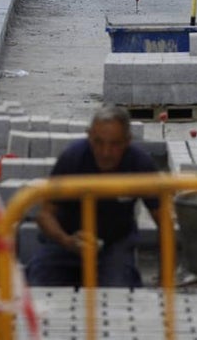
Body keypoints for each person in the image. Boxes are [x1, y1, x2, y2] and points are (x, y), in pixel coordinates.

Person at [26, 106, 162, 287]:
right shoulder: (73, 158)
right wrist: (67, 241)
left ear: (127, 141)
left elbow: (164, 220)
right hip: (67, 241)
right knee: (38, 285)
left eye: (114, 144)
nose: (105, 153)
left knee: (120, 291)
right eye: (98, 142)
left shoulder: (139, 164)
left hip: (115, 243)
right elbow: (45, 215)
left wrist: (165, 273)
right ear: (89, 136)